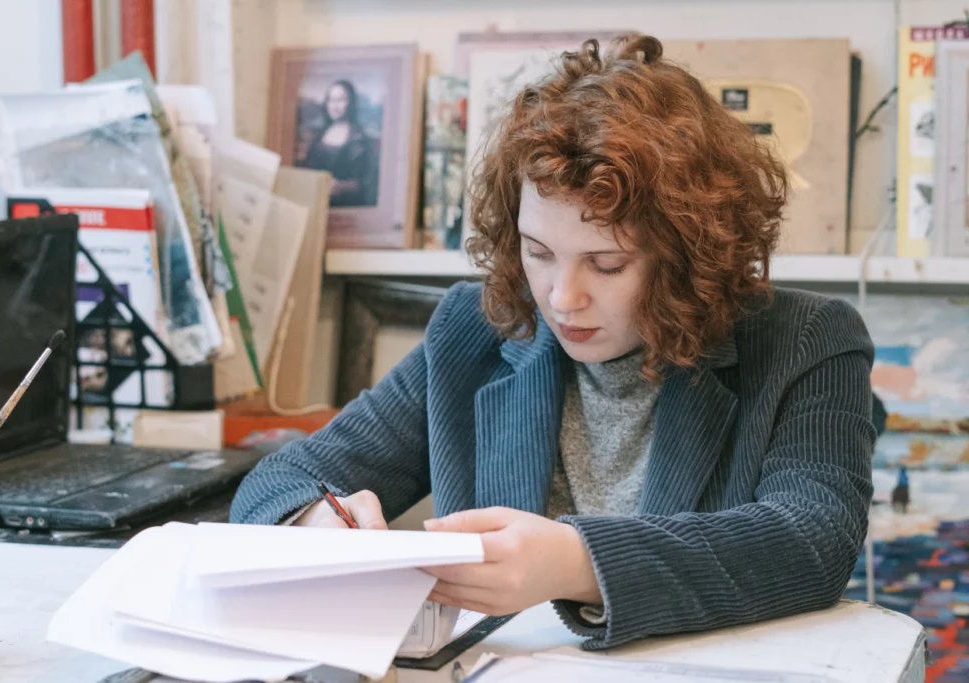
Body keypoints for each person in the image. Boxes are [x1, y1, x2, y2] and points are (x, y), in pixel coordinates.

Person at [232, 34, 875, 649]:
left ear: (688, 257)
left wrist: (578, 563)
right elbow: (280, 481)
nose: (562, 297)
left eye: (608, 264)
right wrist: (316, 524)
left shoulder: (807, 341)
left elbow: (811, 541)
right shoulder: (475, 330)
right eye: (538, 252)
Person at [298, 79, 379, 207]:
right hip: (316, 204)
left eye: (341, 100)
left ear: (351, 102)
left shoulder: (360, 141)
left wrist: (342, 186)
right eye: (331, 100)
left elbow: (367, 182)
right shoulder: (318, 137)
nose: (335, 106)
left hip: (346, 208)